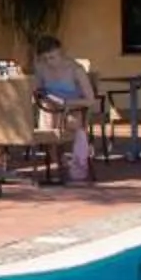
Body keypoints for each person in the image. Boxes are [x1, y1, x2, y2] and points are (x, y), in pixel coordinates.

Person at [33, 37, 95, 181]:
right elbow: (37, 91)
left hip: (74, 109)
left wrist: (67, 103)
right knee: (47, 124)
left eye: (52, 57)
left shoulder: (75, 69)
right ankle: (60, 162)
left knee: (70, 123)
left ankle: (78, 163)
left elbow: (90, 100)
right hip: (51, 110)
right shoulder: (42, 68)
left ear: (61, 53)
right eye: (45, 59)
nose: (50, 62)